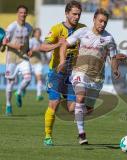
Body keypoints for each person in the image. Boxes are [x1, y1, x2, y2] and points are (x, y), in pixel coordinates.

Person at [58, 8, 122, 145]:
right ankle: (81, 134)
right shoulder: (83, 32)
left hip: (97, 78)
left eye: (105, 22)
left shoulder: (109, 39)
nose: (102, 24)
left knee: (88, 110)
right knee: (80, 96)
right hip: (79, 72)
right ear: (94, 19)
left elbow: (113, 57)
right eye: (100, 21)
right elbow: (64, 45)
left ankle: (77, 112)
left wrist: (115, 69)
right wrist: (62, 61)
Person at [40, 0, 86, 146]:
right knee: (54, 103)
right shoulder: (57, 29)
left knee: (73, 107)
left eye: (79, 14)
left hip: (72, 74)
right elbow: (43, 46)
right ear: (67, 13)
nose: (77, 17)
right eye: (74, 14)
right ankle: (48, 136)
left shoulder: (83, 29)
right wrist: (58, 44)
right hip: (56, 73)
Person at [2, 5, 33, 115]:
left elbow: (27, 42)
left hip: (23, 57)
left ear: (26, 14)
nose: (23, 14)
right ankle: (8, 106)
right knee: (10, 84)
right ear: (17, 14)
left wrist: (29, 50)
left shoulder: (29, 27)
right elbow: (4, 43)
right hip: (12, 59)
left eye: (24, 13)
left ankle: (19, 92)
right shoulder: (11, 27)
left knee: (28, 78)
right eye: (21, 12)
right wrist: (14, 46)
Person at [28, 28, 45, 101]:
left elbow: (43, 51)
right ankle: (20, 91)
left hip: (38, 62)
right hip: (30, 62)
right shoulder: (31, 41)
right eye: (38, 33)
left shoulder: (41, 41)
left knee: (39, 79)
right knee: (27, 79)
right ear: (34, 33)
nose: (39, 34)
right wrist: (37, 49)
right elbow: (29, 51)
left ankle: (39, 95)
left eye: (40, 33)